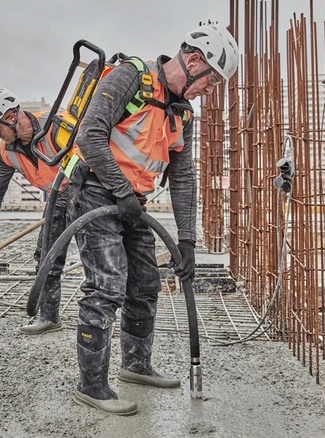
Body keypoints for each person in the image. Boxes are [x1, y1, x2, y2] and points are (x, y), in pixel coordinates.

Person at [67, 23, 239, 415]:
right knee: (107, 285)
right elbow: (89, 136)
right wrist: (122, 191)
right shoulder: (131, 77)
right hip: (95, 192)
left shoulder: (183, 113)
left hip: (132, 202)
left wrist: (187, 241)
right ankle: (91, 385)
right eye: (211, 80)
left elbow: (183, 177)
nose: (210, 90)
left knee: (145, 283)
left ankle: (136, 365)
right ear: (193, 60)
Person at [0, 87, 70, 335]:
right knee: (46, 256)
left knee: (97, 259)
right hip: (57, 200)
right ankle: (49, 317)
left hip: (88, 195)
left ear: (12, 117)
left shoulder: (55, 126)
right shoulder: (8, 151)